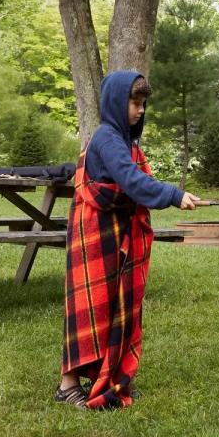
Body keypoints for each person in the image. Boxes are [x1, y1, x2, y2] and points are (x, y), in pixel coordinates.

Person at [55, 71, 199, 409]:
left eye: (143, 103)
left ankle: (102, 375)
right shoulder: (106, 138)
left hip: (116, 233)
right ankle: (67, 384)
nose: (141, 110)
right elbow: (131, 181)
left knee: (112, 307)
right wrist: (173, 195)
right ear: (117, 103)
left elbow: (131, 183)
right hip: (95, 233)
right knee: (88, 307)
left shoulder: (124, 141)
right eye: (135, 103)